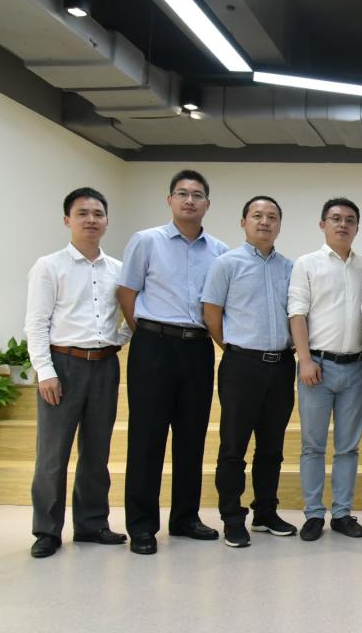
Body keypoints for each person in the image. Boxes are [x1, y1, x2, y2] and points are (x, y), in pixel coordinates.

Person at [117, 169, 228, 555]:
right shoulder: (146, 240)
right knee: (146, 438)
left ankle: (185, 518)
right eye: (182, 193)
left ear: (207, 204)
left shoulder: (219, 250)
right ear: (170, 200)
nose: (189, 200)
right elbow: (127, 293)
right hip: (154, 346)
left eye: (197, 195)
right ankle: (142, 525)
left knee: (191, 437)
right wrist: (148, 333)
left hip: (197, 348)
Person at [25, 187, 131, 558]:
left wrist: (119, 339)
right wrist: (45, 371)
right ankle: (47, 530)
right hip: (63, 365)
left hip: (104, 365)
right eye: (82, 213)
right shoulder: (49, 266)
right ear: (67, 220)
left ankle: (91, 524)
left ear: (107, 221)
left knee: (96, 452)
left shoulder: (117, 269)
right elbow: (36, 323)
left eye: (98, 214)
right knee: (53, 455)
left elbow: (131, 315)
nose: (91, 220)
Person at [202, 196, 296, 548]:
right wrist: (234, 348)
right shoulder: (226, 264)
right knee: (233, 446)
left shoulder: (289, 267)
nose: (264, 222)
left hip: (282, 365)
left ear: (280, 225)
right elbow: (211, 313)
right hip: (241, 365)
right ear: (243, 222)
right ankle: (232, 517)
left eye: (272, 216)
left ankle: (265, 513)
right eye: (257, 215)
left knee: (272, 447)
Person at [288, 198, 362, 542]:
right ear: (323, 224)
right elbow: (297, 313)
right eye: (335, 218)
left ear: (357, 228)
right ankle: (313, 514)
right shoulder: (306, 264)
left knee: (348, 447)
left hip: (356, 367)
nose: (343, 224)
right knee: (313, 446)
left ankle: (342, 513)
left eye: (350, 220)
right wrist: (305, 359)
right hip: (316, 368)